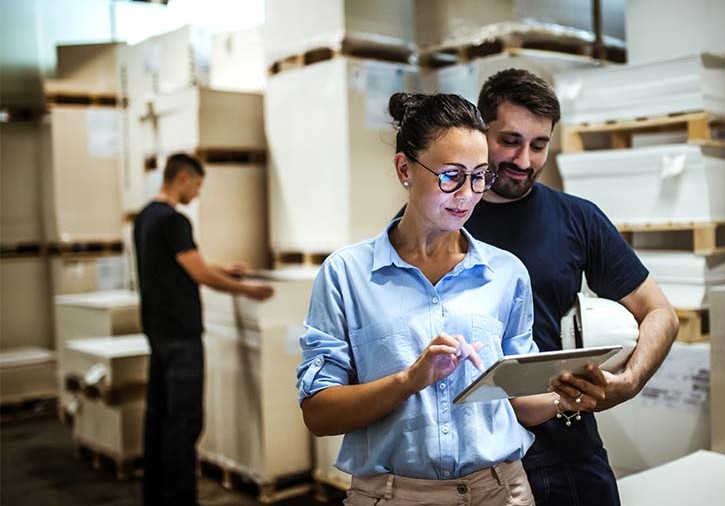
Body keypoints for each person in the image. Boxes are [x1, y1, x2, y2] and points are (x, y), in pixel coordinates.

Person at [296, 93, 578, 506]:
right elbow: (319, 414)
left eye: (480, 176)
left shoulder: (507, 273)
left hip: (500, 492)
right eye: (451, 175)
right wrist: (409, 380)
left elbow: (518, 401)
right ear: (404, 169)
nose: (467, 194)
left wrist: (566, 394)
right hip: (391, 495)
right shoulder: (347, 274)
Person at [465, 69, 681, 505]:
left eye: (539, 145)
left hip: (563, 453)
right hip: (469, 460)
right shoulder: (441, 218)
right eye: (509, 141)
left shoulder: (577, 218)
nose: (524, 160)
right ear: (479, 130)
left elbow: (661, 313)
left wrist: (629, 381)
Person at [133, 153, 274, 506]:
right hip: (181, 336)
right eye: (196, 185)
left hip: (158, 332)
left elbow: (182, 265)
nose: (196, 194)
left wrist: (225, 269)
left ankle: (156, 496)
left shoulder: (146, 217)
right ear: (182, 178)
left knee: (159, 418)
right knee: (184, 423)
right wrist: (247, 289)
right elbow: (199, 274)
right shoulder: (173, 220)